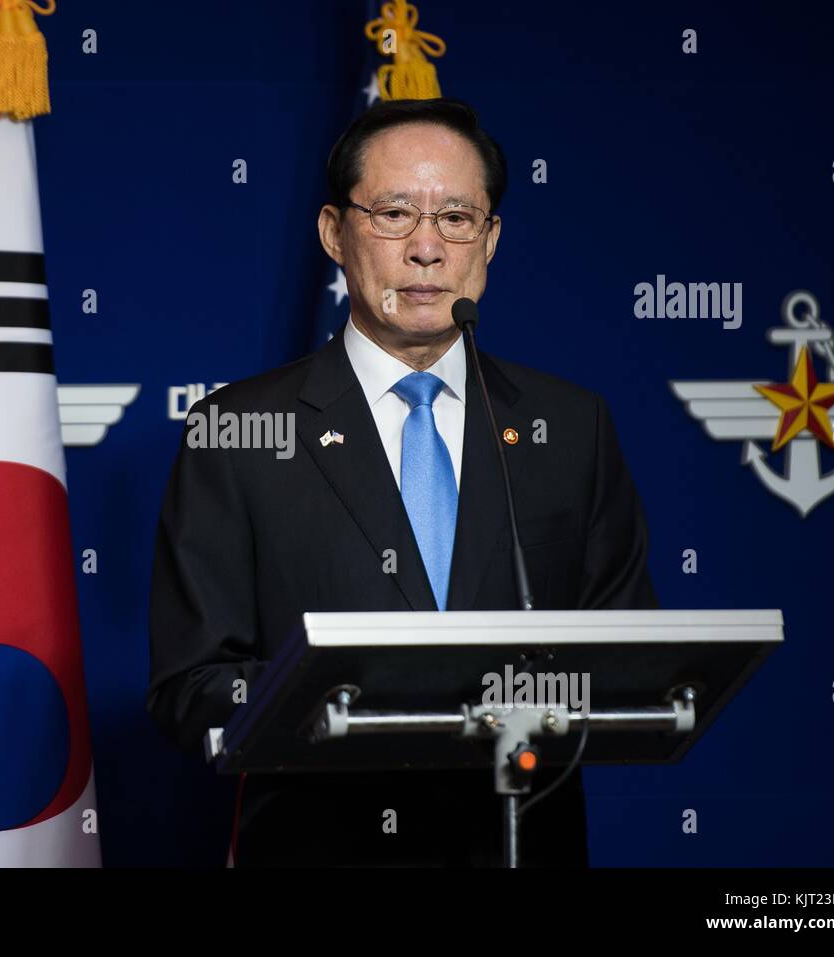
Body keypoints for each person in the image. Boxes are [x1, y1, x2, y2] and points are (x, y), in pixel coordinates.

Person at [146, 97, 658, 867]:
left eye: (456, 217)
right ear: (333, 232)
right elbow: (190, 688)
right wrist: (354, 694)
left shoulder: (571, 426)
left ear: (490, 241)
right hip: (318, 847)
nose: (426, 248)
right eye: (393, 213)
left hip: (521, 842)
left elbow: (630, 661)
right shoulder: (237, 431)